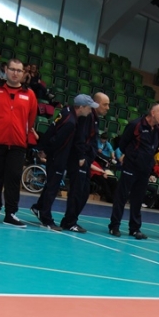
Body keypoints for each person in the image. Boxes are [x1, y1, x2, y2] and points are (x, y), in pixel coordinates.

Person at [0, 58, 37, 226]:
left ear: (23, 73)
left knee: (13, 179)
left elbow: (30, 119)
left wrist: (22, 133)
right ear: (6, 70)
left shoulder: (30, 95)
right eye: (12, 69)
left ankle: (11, 214)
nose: (15, 73)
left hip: (18, 145)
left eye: (19, 70)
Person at [31, 95, 92, 231]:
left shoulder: (66, 112)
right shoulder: (70, 122)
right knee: (52, 188)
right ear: (81, 107)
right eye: (88, 107)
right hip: (57, 158)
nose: (90, 111)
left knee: (50, 185)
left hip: (56, 156)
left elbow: (51, 130)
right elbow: (57, 140)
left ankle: (39, 207)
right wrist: (45, 151)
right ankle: (46, 218)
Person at [108, 103, 159, 240]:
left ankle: (134, 229)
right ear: (152, 113)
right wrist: (132, 157)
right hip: (131, 167)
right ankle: (114, 226)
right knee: (121, 196)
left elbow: (152, 149)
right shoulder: (136, 125)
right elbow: (123, 144)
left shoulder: (157, 131)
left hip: (145, 170)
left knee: (138, 199)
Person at [60, 92, 108, 233]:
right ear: (96, 103)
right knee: (77, 191)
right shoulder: (87, 116)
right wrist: (81, 156)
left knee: (84, 192)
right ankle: (69, 222)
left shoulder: (95, 118)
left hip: (87, 160)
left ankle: (71, 219)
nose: (107, 108)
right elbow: (80, 137)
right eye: (105, 104)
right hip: (79, 159)